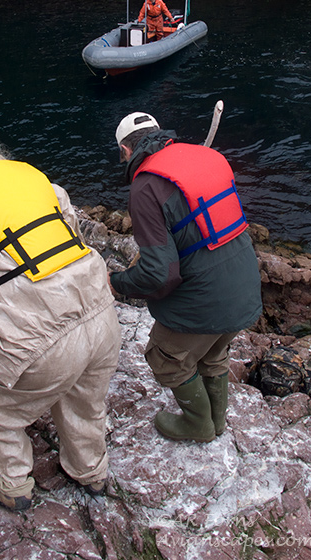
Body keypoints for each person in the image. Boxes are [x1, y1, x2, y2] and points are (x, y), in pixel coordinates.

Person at [0, 138, 121, 511]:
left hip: (36, 342)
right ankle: (91, 472)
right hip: (100, 317)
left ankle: (14, 485)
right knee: (85, 400)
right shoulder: (49, 189)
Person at [108, 113, 262, 443]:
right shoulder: (203, 156)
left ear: (125, 150)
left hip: (207, 299)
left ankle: (198, 424)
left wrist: (117, 283)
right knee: (212, 352)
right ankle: (217, 421)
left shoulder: (145, 187)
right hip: (247, 282)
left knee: (165, 357)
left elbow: (158, 275)